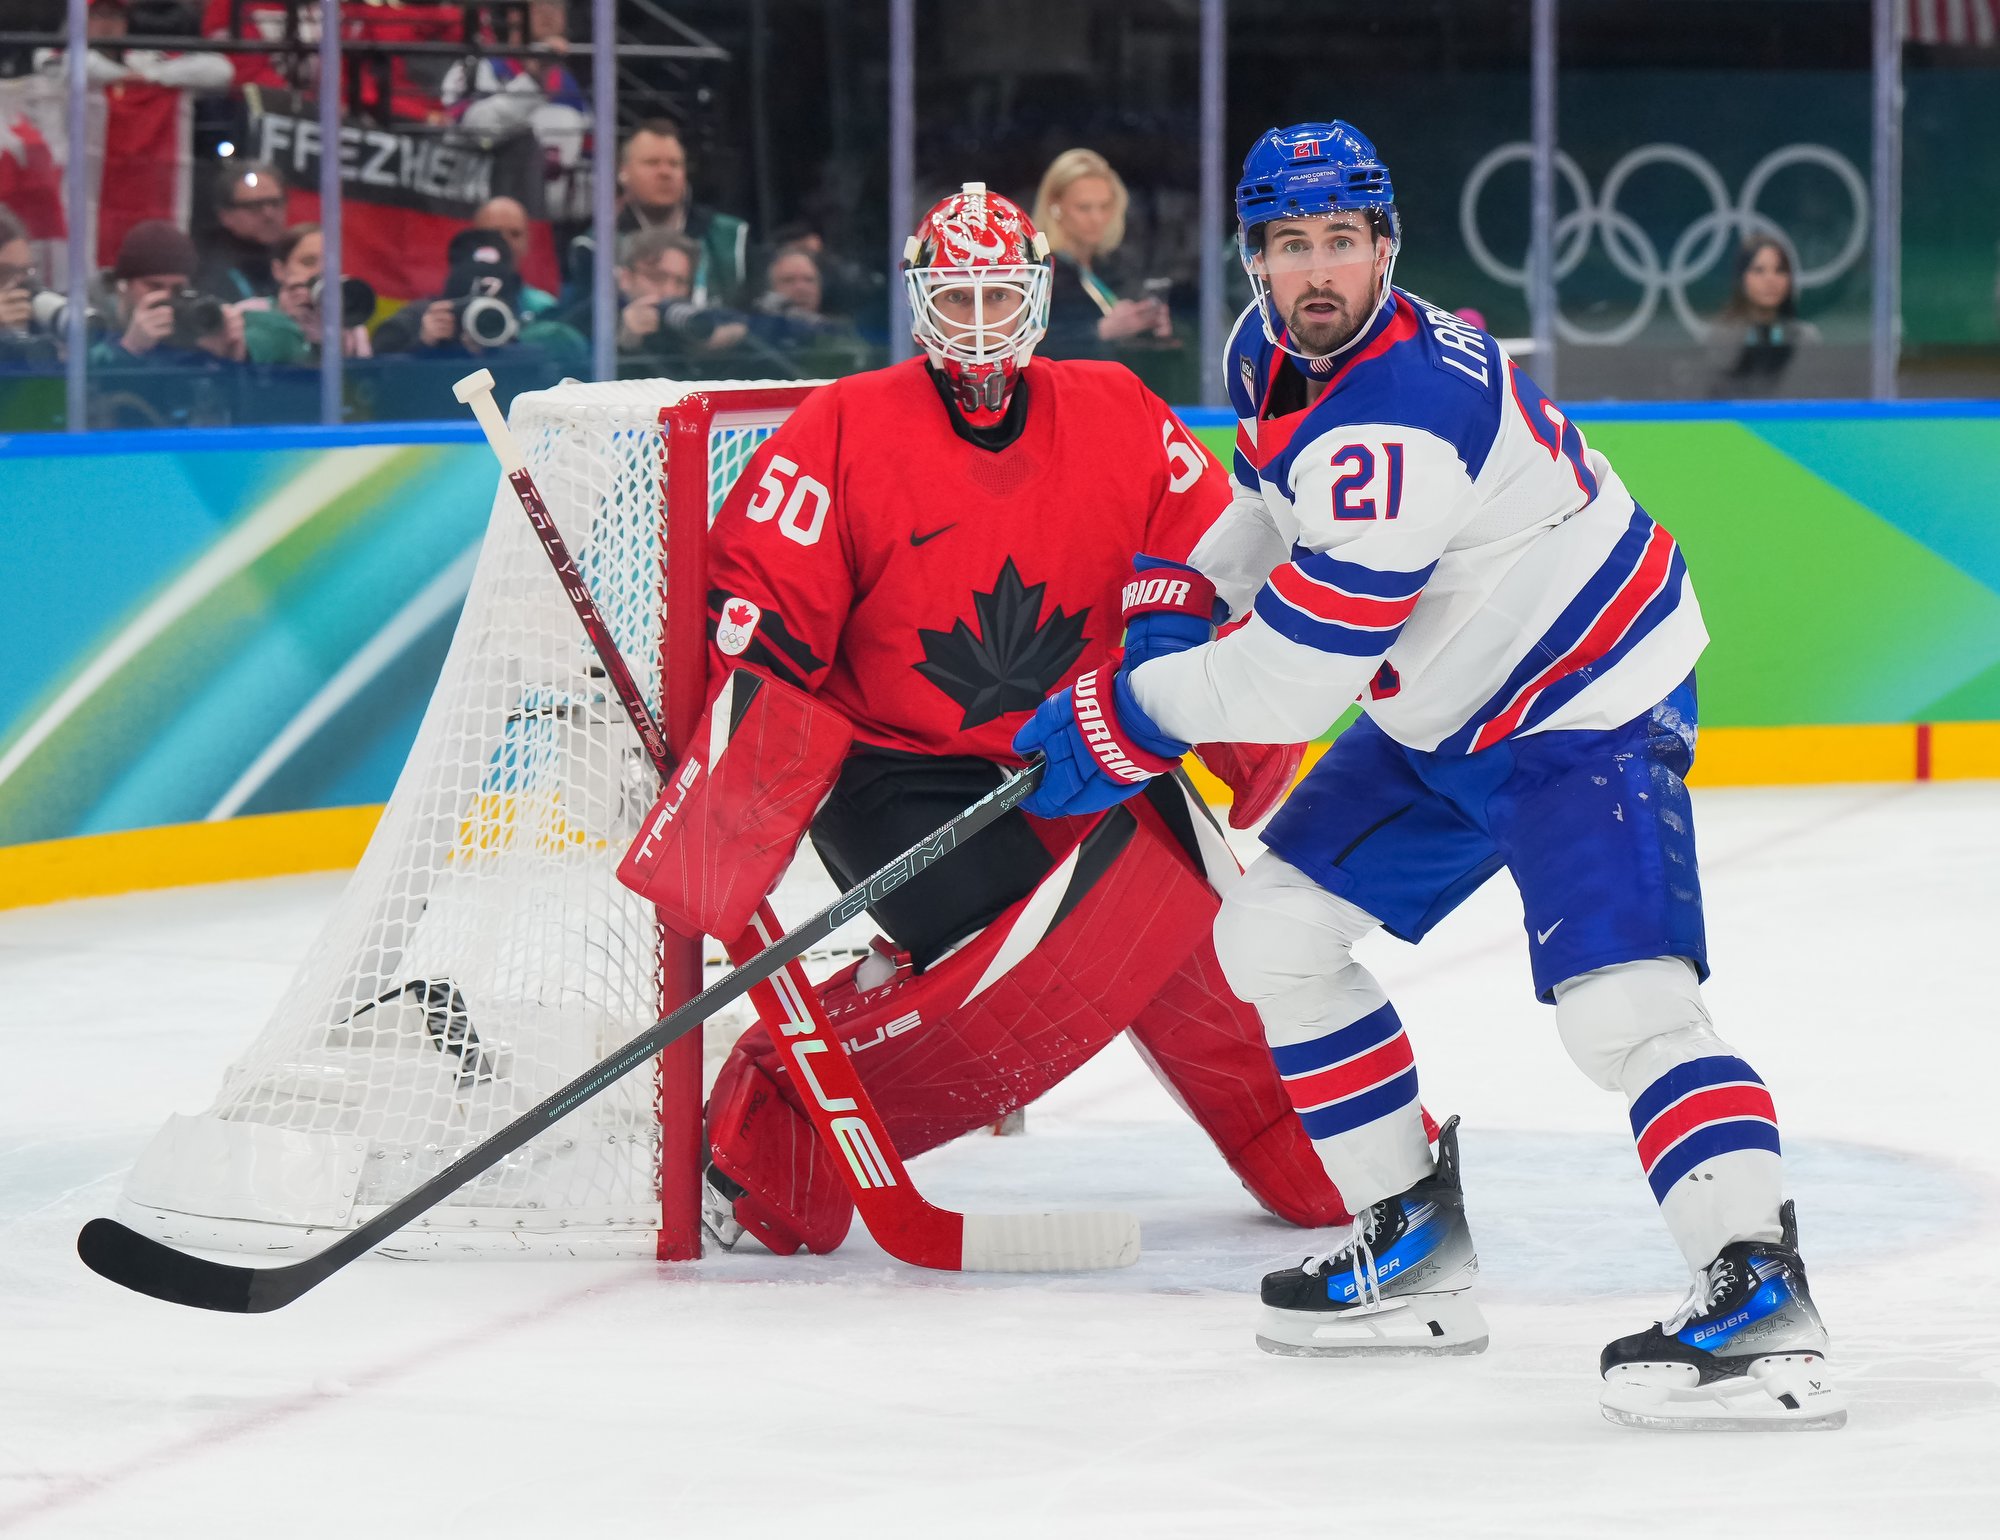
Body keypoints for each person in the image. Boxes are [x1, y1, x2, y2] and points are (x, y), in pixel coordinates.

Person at [1013, 123, 1842, 1431]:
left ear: (1385, 247)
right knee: (1274, 934)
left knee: (1623, 1008)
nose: (1317, 269)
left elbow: (1296, 681)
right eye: (1290, 244)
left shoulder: (1399, 421)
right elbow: (1270, 497)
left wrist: (1133, 708)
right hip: (1446, 706)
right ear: (1255, 257)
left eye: (1341, 240)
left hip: (1580, 704)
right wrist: (1185, 588)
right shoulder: (1271, 350)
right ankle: (1410, 1246)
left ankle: (1761, 1297)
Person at [615, 183, 1353, 1261]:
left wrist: (1244, 734)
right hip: (895, 777)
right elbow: (762, 630)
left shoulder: (1116, 408)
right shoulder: (842, 427)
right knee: (1071, 952)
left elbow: (1213, 574)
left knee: (1214, 940)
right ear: (920, 302)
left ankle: (1335, 1153)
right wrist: (728, 825)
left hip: (1075, 751)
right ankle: (773, 1123)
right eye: (954, 299)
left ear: (1035, 298)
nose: (975, 323)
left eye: (996, 296)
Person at [371, 225, 584, 371]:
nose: (479, 313)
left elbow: (560, 368)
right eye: (469, 301)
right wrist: (423, 346)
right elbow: (376, 375)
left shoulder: (528, 319)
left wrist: (506, 347)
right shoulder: (421, 317)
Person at [1032, 148, 1172, 361]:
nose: (1097, 218)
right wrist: (1101, 332)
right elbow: (1031, 346)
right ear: (1055, 206)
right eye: (1084, 208)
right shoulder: (1039, 272)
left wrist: (1149, 326)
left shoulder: (1114, 266)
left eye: (1105, 206)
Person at [612, 120, 748, 304]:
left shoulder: (732, 237)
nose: (665, 172)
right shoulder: (596, 245)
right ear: (623, 172)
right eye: (652, 163)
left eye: (674, 164)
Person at [91, 218, 246, 367]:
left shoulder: (193, 320)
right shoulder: (92, 319)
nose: (167, 297)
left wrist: (226, 359)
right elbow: (88, 376)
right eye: (154, 287)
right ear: (124, 285)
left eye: (178, 289)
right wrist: (130, 349)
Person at [611, 227, 757, 373]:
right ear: (626, 278)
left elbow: (754, 329)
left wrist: (722, 341)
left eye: (680, 282)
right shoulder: (602, 321)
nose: (669, 291)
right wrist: (625, 344)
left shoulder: (691, 321)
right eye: (657, 277)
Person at [1705, 234, 1820, 398]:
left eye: (1780, 270)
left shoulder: (1805, 338)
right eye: (1759, 270)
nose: (1770, 280)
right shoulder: (1721, 337)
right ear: (1742, 278)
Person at [194, 161, 287, 302]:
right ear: (225, 215)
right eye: (254, 206)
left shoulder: (293, 256)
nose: (269, 214)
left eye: (275, 203)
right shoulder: (204, 267)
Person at [469, 197, 558, 318]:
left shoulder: (544, 310)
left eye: (515, 234)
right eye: (496, 233)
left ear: (527, 242)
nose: (506, 243)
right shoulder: (450, 306)